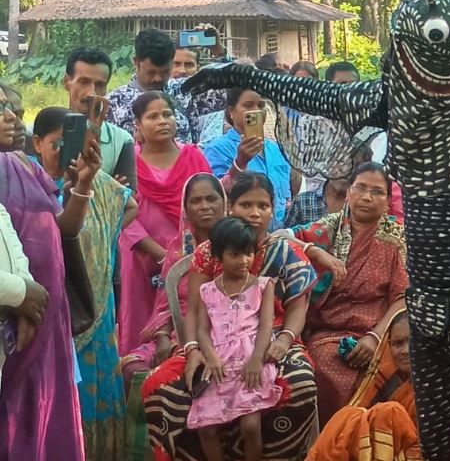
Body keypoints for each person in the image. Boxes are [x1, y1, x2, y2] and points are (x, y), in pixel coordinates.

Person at [144, 173, 319, 461]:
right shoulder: (211, 252)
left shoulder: (286, 252)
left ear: (273, 209)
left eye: (262, 205)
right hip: (211, 341)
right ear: (231, 207)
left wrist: (282, 342)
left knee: (304, 384)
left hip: (274, 340)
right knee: (157, 387)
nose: (254, 213)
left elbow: (297, 308)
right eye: (245, 204)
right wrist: (195, 349)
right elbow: (196, 311)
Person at [30, 108, 136, 461]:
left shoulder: (99, 185)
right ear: (37, 143)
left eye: (70, 143)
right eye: (55, 144)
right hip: (41, 302)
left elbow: (129, 203)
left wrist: (103, 234)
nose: (63, 151)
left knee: (92, 385)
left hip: (93, 303)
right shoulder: (26, 183)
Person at [0, 84, 98, 461]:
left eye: (8, 107)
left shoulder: (24, 165)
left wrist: (84, 185)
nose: (8, 116)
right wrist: (17, 298)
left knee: (48, 415)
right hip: (13, 319)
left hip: (47, 312)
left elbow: (60, 232)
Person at [289, 310, 450, 461]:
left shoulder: (437, 390)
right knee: (348, 416)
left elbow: (437, 459)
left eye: (411, 341)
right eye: (397, 343)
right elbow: (353, 435)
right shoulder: (385, 381)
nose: (404, 350)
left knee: (388, 414)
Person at [292, 162, 409, 423]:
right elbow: (277, 238)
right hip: (329, 334)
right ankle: (334, 447)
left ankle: (378, 448)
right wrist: (315, 251)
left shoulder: (396, 237)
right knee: (325, 366)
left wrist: (374, 337)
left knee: (397, 369)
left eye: (377, 192)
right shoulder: (328, 229)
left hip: (380, 333)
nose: (368, 197)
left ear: (389, 201)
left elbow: (402, 297)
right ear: (349, 193)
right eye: (361, 188)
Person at [187, 217, 282, 461]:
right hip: (219, 362)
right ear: (218, 256)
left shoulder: (263, 286)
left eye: (249, 253)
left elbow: (266, 326)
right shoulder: (208, 291)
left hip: (250, 361)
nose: (244, 260)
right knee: (206, 426)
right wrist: (211, 356)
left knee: (250, 425)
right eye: (235, 254)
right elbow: (203, 330)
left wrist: (256, 359)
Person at [119, 92, 213, 356]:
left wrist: (180, 257)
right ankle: (138, 383)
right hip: (141, 257)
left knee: (187, 319)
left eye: (167, 114)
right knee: (140, 322)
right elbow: (124, 215)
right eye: (153, 116)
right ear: (137, 124)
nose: (162, 121)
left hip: (191, 256)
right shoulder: (129, 162)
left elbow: (211, 201)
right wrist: (161, 255)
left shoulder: (193, 156)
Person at [122, 173, 225, 379]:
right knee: (132, 367)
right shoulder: (177, 253)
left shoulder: (239, 249)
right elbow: (165, 307)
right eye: (196, 201)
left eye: (211, 199)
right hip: (180, 334)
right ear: (185, 209)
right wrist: (162, 338)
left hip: (229, 333)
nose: (204, 206)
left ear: (224, 203)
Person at [108, 28, 225, 143]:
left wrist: (219, 53)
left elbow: (232, 89)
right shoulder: (113, 104)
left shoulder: (185, 89)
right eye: (151, 72)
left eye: (165, 72)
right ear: (136, 62)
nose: (158, 78)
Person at [204, 87, 293, 226]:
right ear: (231, 111)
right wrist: (240, 162)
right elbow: (217, 195)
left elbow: (287, 196)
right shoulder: (217, 149)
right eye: (248, 105)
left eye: (261, 105)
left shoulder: (277, 149)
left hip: (277, 234)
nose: (256, 110)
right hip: (240, 235)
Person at [63, 47, 136, 186]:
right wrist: (108, 185)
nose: (92, 92)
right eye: (83, 82)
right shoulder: (41, 132)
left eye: (100, 85)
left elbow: (127, 199)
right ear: (67, 82)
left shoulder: (121, 141)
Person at [284, 176, 351, 228]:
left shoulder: (357, 208)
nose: (346, 172)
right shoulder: (304, 202)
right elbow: (285, 239)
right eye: (341, 163)